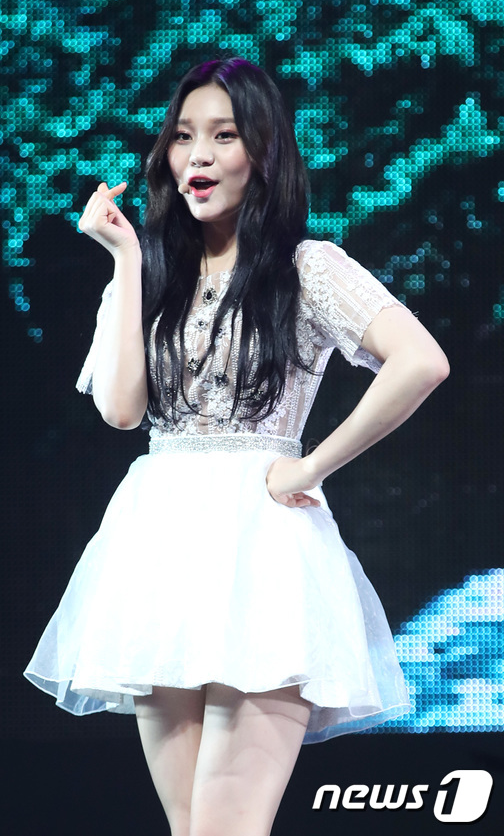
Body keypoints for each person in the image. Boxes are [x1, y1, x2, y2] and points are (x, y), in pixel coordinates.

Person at [24, 57, 449, 836]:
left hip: (263, 556)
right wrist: (125, 259)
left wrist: (311, 464)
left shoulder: (307, 266)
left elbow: (421, 360)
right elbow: (121, 411)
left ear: (263, 151)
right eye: (184, 136)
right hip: (157, 556)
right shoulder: (150, 270)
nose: (199, 155)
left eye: (223, 136)